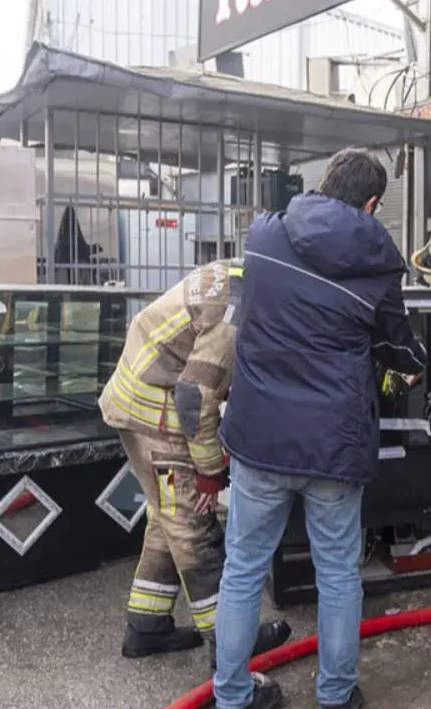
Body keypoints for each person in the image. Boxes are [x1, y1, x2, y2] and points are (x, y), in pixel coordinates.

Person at [212, 148, 428, 709]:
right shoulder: (379, 263)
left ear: (322, 183)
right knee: (337, 575)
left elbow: (247, 313)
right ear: (373, 203)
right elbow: (398, 350)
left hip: (259, 438)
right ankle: (335, 695)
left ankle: (232, 695)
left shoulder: (262, 237)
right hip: (333, 444)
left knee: (243, 569)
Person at [98, 259, 292, 664]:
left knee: (168, 516)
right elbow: (195, 397)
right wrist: (209, 472)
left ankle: (146, 626)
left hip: (138, 398)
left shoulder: (239, 273)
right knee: (193, 527)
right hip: (156, 414)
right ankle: (230, 643)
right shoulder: (235, 313)